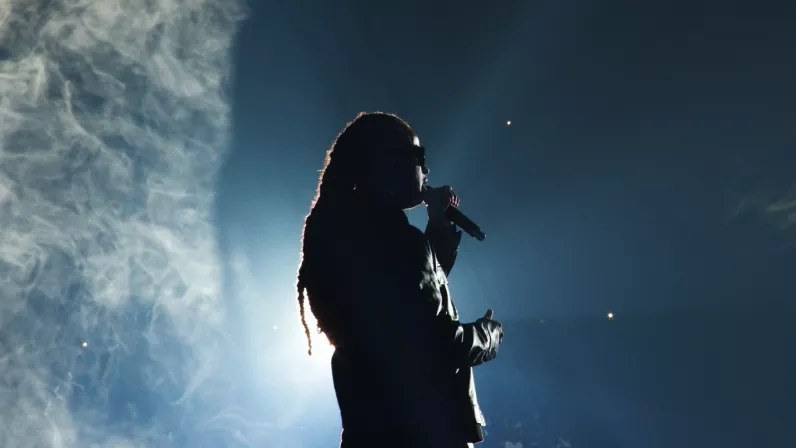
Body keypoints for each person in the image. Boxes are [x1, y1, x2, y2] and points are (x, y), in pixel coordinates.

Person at [295, 112, 504, 448]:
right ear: (388, 165)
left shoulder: (346, 237)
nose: (427, 170)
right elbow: (439, 345)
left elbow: (409, 296)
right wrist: (488, 336)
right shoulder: (398, 243)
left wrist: (438, 224)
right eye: (419, 157)